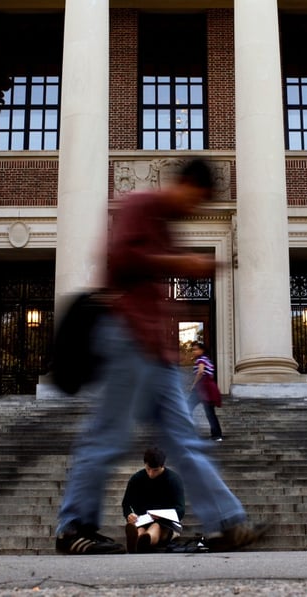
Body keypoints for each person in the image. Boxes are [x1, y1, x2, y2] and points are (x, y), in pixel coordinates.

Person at [54, 159, 267, 555]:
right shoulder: (141, 205)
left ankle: (228, 523)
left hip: (159, 353)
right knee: (107, 438)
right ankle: (73, 528)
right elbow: (118, 260)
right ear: (185, 184)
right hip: (127, 339)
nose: (195, 209)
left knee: (187, 443)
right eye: (198, 199)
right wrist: (178, 262)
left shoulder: (166, 225)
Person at [122, 447, 185, 553]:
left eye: (155, 470)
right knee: (141, 529)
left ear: (162, 466)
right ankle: (138, 541)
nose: (151, 473)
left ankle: (143, 541)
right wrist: (129, 514)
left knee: (155, 526)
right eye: (148, 469)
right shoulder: (136, 479)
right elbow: (126, 503)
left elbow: (180, 509)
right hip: (142, 519)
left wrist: (162, 516)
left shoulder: (173, 480)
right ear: (145, 464)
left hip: (166, 523)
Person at [189, 342, 223, 441]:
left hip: (201, 387)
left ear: (201, 350)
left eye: (195, 349)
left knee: (187, 408)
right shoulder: (208, 360)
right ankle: (217, 435)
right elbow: (211, 375)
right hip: (209, 388)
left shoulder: (201, 359)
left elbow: (200, 372)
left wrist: (194, 384)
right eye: (193, 349)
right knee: (210, 413)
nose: (194, 351)